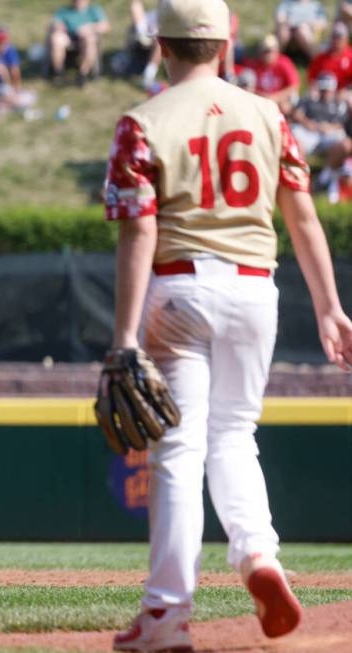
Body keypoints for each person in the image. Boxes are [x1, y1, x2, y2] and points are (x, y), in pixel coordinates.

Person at [102, 0, 352, 651]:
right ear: (224, 45)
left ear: (161, 45)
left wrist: (123, 335)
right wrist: (329, 306)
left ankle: (165, 613)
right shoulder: (268, 113)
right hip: (254, 288)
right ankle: (259, 556)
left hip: (179, 286)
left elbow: (138, 231)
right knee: (235, 432)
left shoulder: (142, 121)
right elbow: (301, 216)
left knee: (178, 450)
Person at [46, 0, 111, 86]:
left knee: (90, 39)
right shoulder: (63, 11)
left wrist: (90, 27)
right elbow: (53, 24)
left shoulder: (94, 10)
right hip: (68, 36)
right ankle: (58, 73)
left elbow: (106, 26)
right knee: (56, 39)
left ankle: (83, 73)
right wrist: (58, 27)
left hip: (86, 39)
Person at [290, 71, 348, 163]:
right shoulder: (309, 99)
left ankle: (329, 173)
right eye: (323, 88)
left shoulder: (338, 103)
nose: (326, 92)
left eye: (328, 88)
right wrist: (307, 123)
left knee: (344, 142)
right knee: (295, 134)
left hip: (328, 134)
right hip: (309, 132)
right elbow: (297, 114)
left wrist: (328, 127)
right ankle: (300, 171)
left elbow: (341, 124)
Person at [244, 34, 300, 112]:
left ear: (277, 51)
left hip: (279, 99)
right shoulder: (253, 65)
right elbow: (248, 87)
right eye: (265, 51)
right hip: (260, 100)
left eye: (270, 51)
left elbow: (294, 86)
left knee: (286, 105)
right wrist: (265, 97)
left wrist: (276, 98)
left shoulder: (284, 63)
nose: (268, 54)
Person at [308, 21, 352, 90]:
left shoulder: (350, 56)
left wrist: (345, 90)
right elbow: (312, 79)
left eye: (339, 37)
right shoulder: (321, 57)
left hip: (345, 93)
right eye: (334, 36)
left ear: (346, 39)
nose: (336, 40)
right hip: (324, 93)